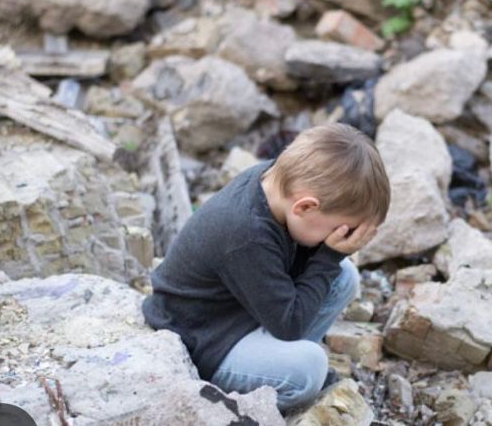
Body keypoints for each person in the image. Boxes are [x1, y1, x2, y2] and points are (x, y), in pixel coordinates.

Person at [141, 123, 391, 412]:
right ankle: (248, 404)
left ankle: (276, 361)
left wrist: (331, 254)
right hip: (201, 341)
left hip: (237, 314)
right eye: (338, 229)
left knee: (344, 277)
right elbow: (290, 324)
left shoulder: (277, 182)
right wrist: (329, 255)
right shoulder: (246, 233)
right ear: (305, 207)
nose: (339, 238)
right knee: (309, 369)